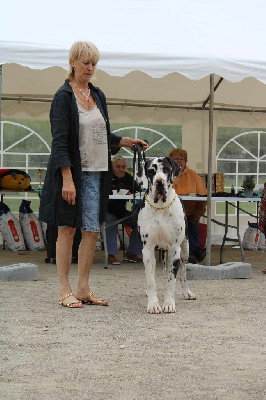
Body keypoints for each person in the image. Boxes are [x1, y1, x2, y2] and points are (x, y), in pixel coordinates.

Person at [39, 41, 148, 308]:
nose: (89, 67)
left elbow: (100, 136)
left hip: (97, 174)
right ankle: (64, 289)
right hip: (73, 173)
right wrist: (67, 178)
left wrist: (126, 141)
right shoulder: (63, 97)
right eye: (85, 62)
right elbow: (61, 141)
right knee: (66, 229)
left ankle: (83, 288)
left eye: (93, 63)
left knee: (91, 232)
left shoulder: (97, 95)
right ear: (73, 62)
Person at [169, 148, 207, 264]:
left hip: (189, 213)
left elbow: (203, 197)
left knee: (191, 222)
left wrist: (198, 213)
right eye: (176, 159)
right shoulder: (165, 174)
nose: (179, 161)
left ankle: (193, 253)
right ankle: (182, 253)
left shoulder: (194, 175)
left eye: (182, 159)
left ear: (186, 161)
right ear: (170, 160)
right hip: (169, 213)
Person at [106, 155, 143, 265]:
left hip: (122, 212)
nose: (121, 169)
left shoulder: (128, 177)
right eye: (118, 167)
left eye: (123, 166)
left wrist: (130, 192)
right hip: (107, 210)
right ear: (112, 167)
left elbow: (138, 191)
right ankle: (111, 254)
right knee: (110, 221)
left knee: (139, 221)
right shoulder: (106, 177)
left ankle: (131, 253)